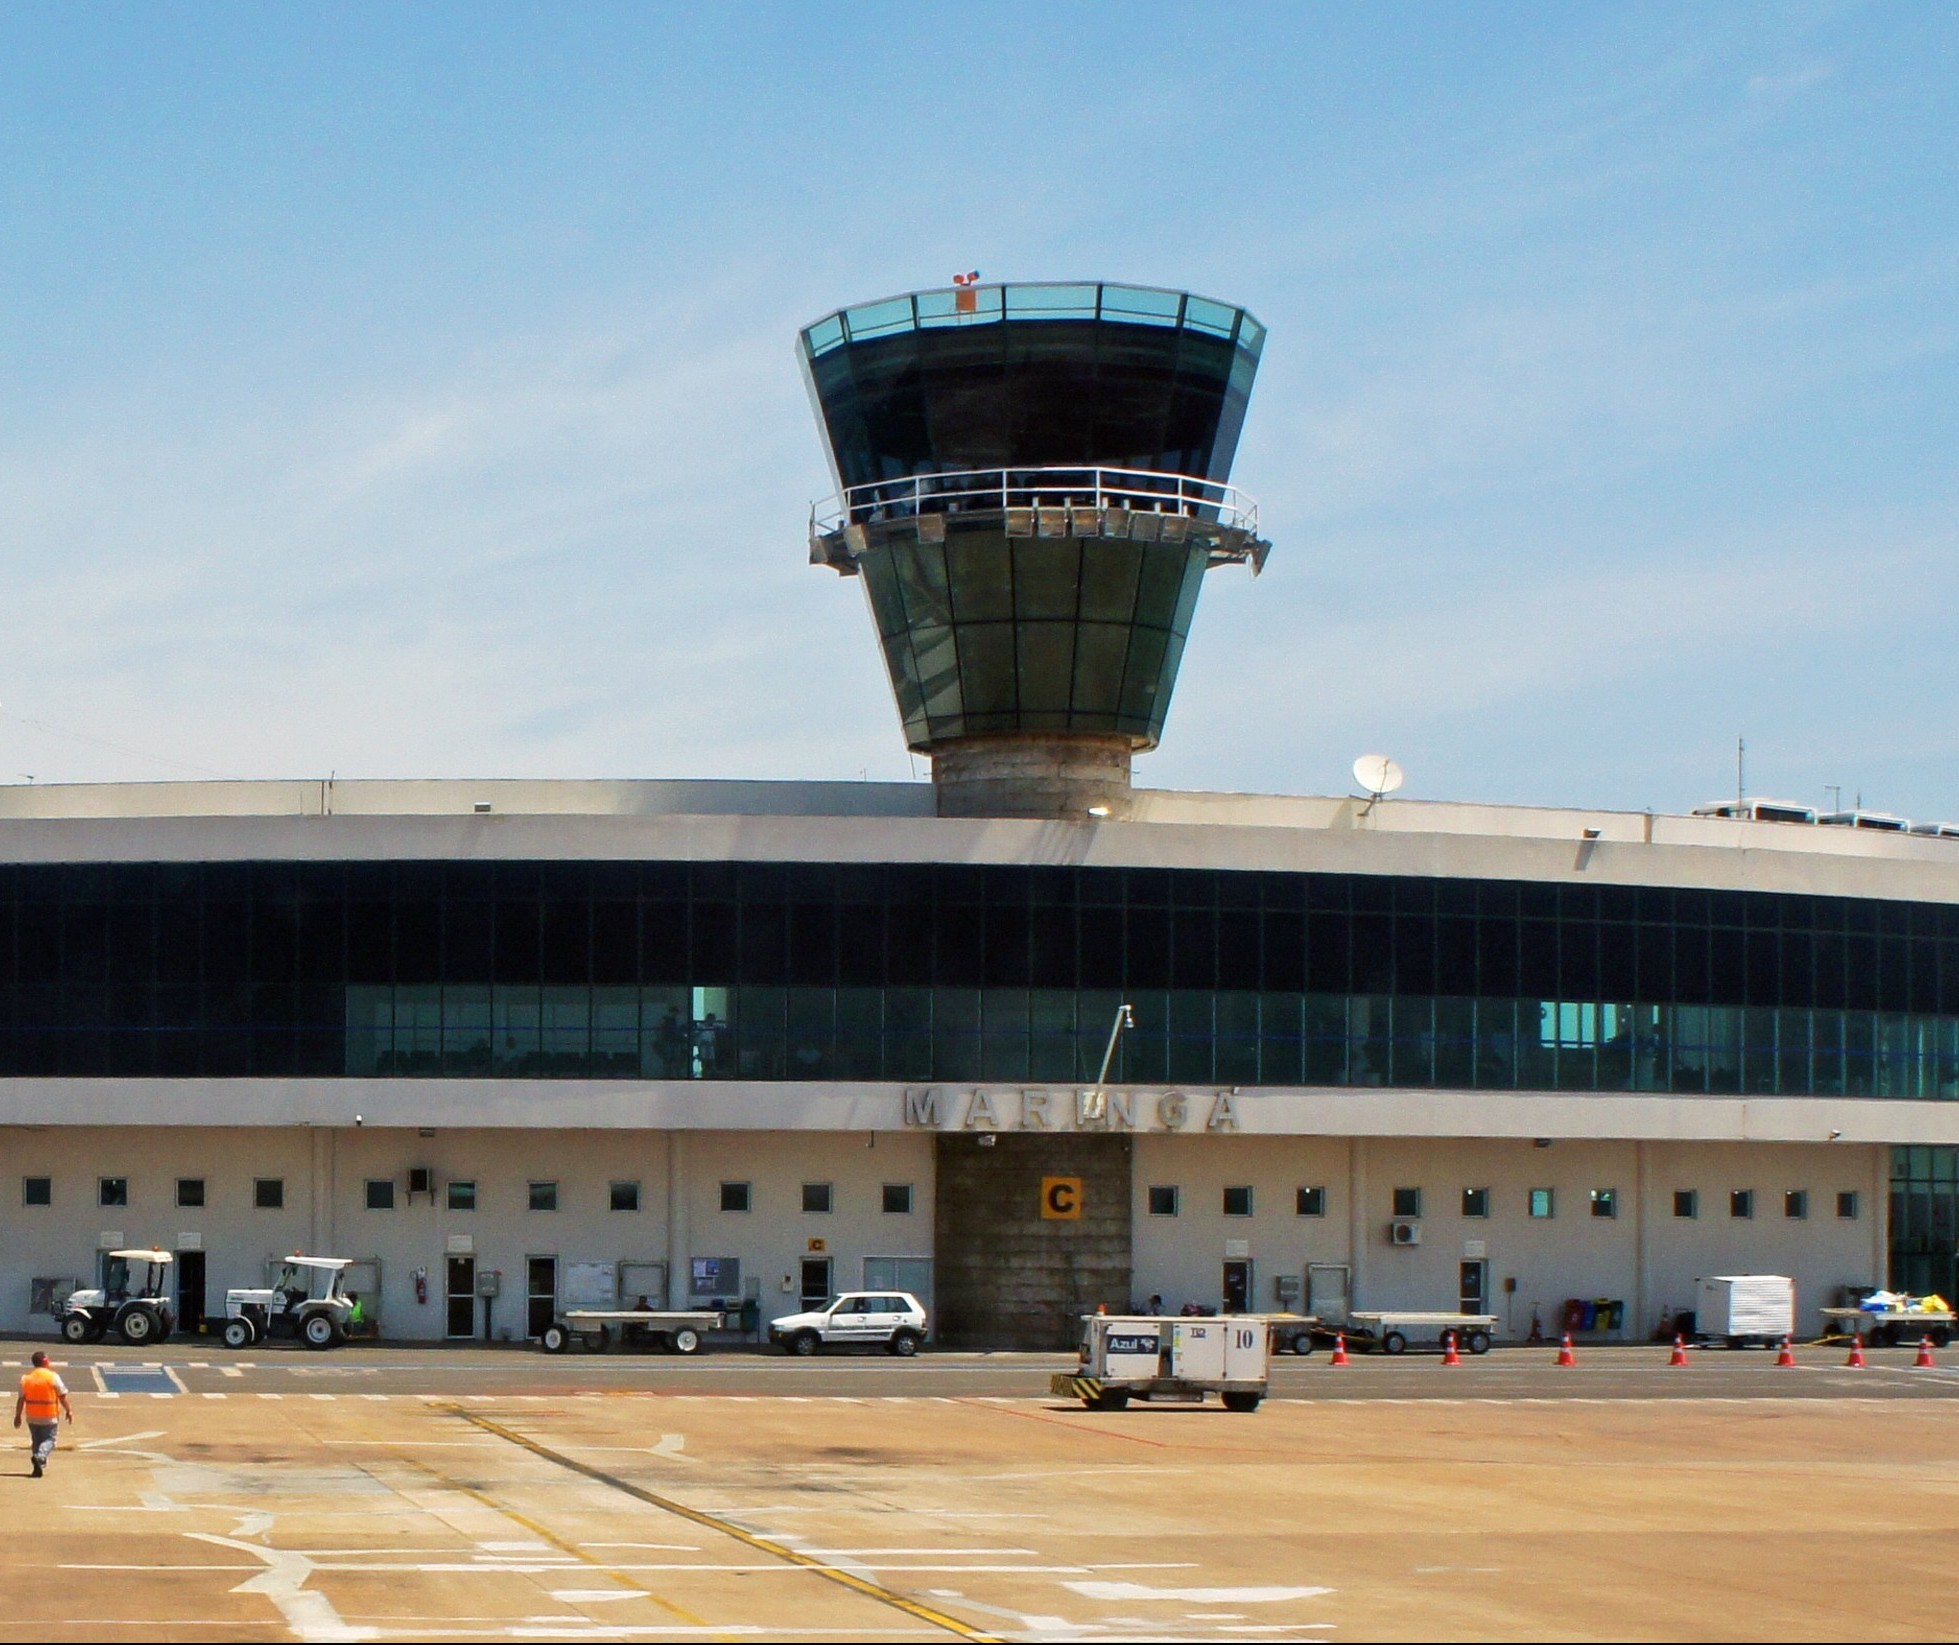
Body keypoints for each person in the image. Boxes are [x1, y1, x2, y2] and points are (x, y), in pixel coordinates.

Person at [14, 1351, 74, 1479]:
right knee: (50, 1440)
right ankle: (40, 1457)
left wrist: (18, 1415)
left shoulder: (26, 1378)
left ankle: (37, 1467)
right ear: (46, 1361)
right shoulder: (52, 1377)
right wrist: (69, 1410)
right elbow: (62, 1396)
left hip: (32, 1416)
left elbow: (21, 1399)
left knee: (36, 1441)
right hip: (49, 1415)